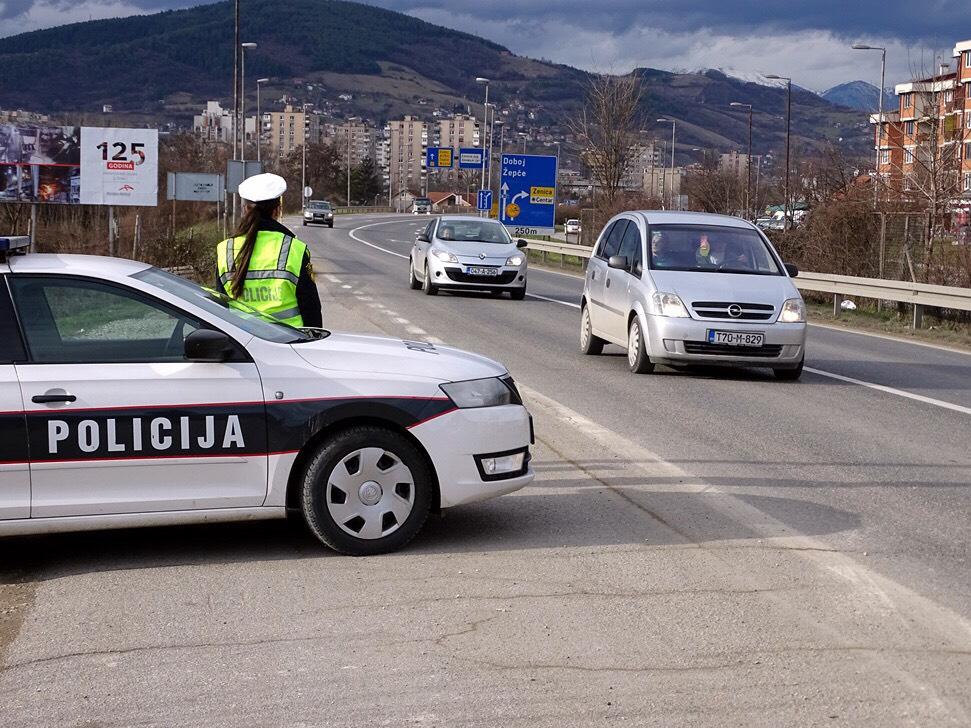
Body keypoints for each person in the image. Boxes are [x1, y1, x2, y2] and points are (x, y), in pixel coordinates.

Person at [216, 173, 322, 328]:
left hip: (241, 345)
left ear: (245, 208)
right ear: (277, 210)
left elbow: (219, 310)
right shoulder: (295, 249)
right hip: (289, 345)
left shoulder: (225, 250)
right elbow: (311, 309)